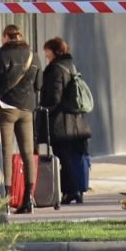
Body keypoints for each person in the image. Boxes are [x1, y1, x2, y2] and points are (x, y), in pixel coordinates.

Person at [39, 36, 93, 205]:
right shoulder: (70, 66)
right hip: (76, 121)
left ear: (55, 51)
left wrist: (43, 109)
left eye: (47, 50)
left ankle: (71, 191)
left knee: (63, 158)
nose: (45, 54)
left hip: (62, 124)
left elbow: (55, 96)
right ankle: (78, 189)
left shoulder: (56, 69)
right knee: (74, 157)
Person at [0, 25, 41, 213]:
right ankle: (28, 199)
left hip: (7, 107)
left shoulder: (1, 54)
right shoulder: (34, 55)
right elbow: (39, 84)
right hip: (27, 108)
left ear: (6, 37)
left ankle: (5, 201)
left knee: (6, 153)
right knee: (28, 154)